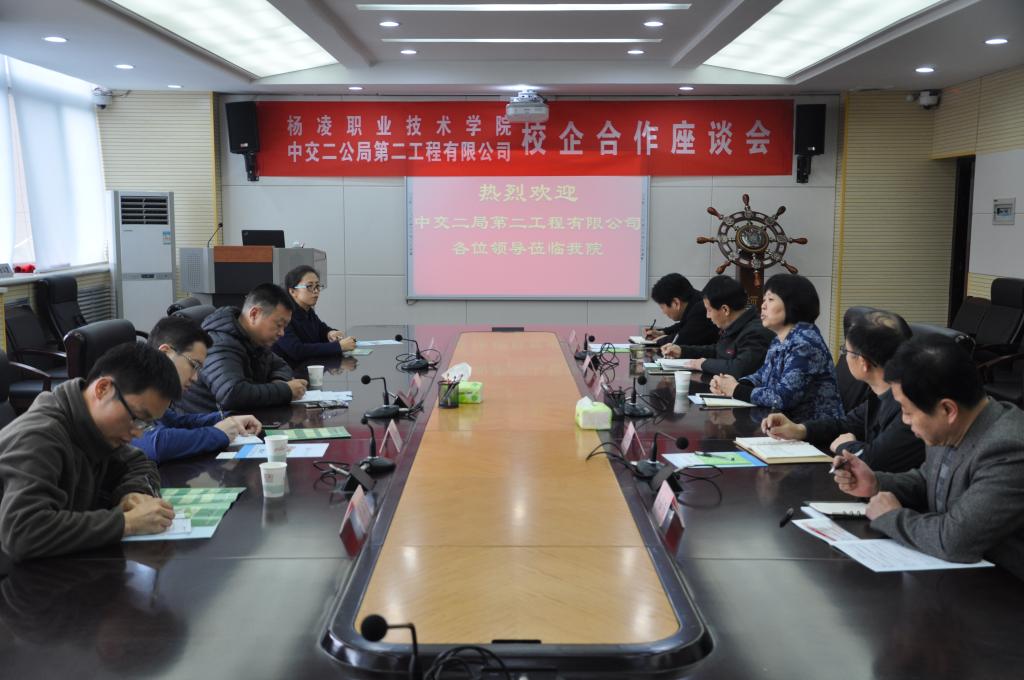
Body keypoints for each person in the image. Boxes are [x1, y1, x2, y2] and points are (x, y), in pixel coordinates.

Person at [833, 335, 1024, 578]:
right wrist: (876, 483)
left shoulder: (1008, 448)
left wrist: (891, 517)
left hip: (1004, 588)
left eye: (907, 411)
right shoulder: (953, 426)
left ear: (947, 409)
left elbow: (954, 541)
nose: (905, 420)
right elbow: (929, 480)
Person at [0, 343, 181, 561]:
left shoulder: (96, 428)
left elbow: (139, 463)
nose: (137, 433)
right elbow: (22, 532)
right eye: (136, 418)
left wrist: (132, 493)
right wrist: (127, 523)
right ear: (103, 389)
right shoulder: (38, 437)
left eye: (146, 424)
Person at [761, 310, 924, 472]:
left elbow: (875, 460)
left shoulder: (911, 406)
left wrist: (845, 445)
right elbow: (846, 424)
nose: (845, 357)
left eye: (846, 351)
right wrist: (799, 430)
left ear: (863, 363)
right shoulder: (879, 395)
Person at [709, 273, 842, 422]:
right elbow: (762, 375)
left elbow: (782, 397)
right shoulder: (780, 339)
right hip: (782, 424)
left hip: (812, 430)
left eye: (770, 299)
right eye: (764, 300)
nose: (763, 305)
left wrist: (735, 389)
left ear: (793, 304)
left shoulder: (805, 343)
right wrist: (732, 384)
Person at [133, 316, 262, 463]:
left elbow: (178, 422)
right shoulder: (128, 390)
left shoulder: (152, 396)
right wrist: (218, 433)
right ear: (165, 353)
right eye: (193, 365)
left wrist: (228, 419)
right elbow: (157, 445)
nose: (195, 378)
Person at [178, 283, 307, 414]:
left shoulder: (253, 340)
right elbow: (231, 394)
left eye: (284, 327)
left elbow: (280, 365)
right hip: (208, 422)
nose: (282, 333)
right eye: (279, 325)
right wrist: (285, 391)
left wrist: (279, 383)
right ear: (254, 314)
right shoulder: (219, 343)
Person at [660, 275, 773, 377]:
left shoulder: (756, 332)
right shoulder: (735, 325)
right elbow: (718, 350)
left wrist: (703, 364)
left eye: (709, 310)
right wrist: (682, 351)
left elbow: (739, 368)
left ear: (725, 309)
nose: (708, 316)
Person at [273, 265, 357, 363]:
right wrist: (338, 346)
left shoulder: (307, 310)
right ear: (292, 291)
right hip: (288, 370)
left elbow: (321, 329)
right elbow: (297, 350)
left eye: (317, 286)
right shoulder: (282, 314)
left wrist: (330, 333)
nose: (316, 291)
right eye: (309, 286)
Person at [643, 273, 718, 347]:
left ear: (676, 303)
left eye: (662, 307)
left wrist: (655, 342)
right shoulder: (695, 301)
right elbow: (684, 325)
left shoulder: (701, 309)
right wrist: (662, 332)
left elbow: (683, 339)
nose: (663, 312)